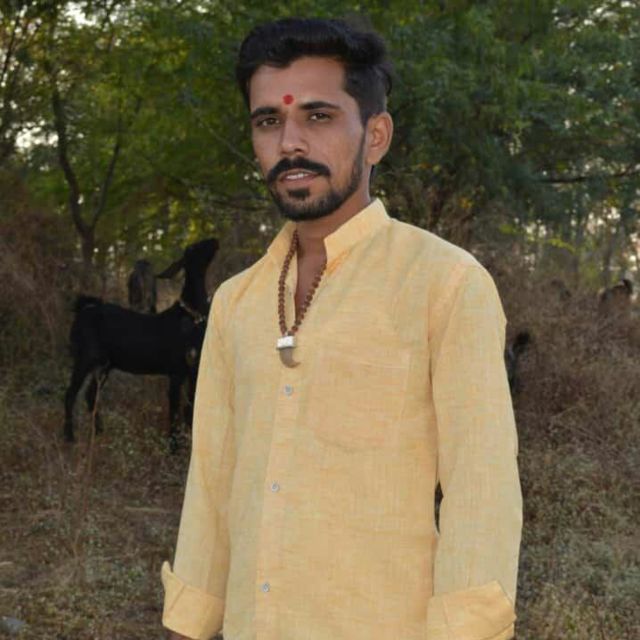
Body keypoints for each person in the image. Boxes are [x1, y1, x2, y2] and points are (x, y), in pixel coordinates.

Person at [161, 17, 522, 640]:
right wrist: (192, 620)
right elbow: (213, 481)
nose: (289, 143)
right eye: (268, 121)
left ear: (375, 136)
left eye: (318, 116)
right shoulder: (236, 301)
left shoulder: (444, 284)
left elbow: (481, 486)